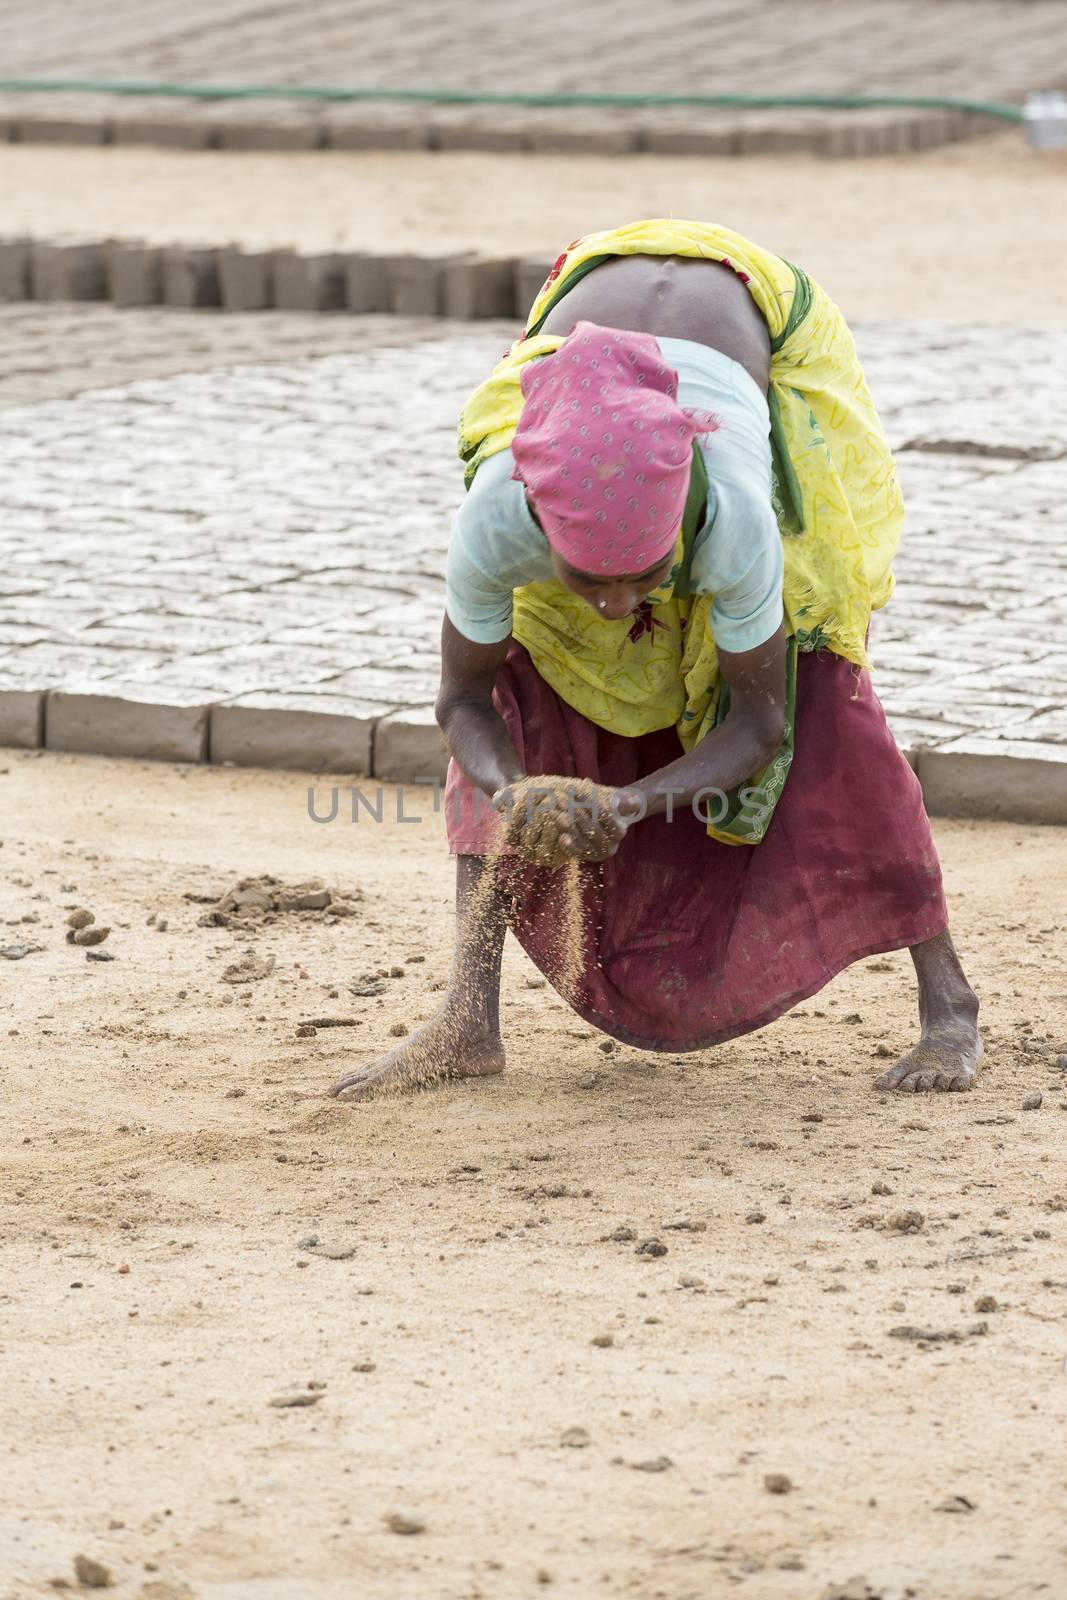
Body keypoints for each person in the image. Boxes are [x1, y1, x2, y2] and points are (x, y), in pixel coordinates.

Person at [331, 219, 981, 1102]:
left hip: (760, 315)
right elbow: (462, 701)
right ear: (540, 531)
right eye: (585, 581)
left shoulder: (737, 519)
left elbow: (760, 723)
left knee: (825, 688)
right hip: (589, 296)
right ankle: (467, 1019)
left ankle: (949, 1004)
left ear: (681, 530)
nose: (613, 608)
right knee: (524, 680)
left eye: (645, 579)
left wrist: (630, 803)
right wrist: (510, 790)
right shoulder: (498, 513)